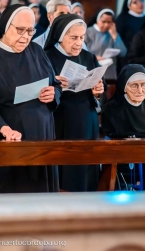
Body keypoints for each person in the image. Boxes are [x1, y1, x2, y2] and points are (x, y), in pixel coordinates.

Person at [0, 4, 62, 193]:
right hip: (10, 135)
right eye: (20, 30)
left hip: (42, 134)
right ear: (6, 26)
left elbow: (55, 84)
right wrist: (4, 129)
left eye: (30, 31)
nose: (26, 36)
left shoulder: (36, 51)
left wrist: (53, 93)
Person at [44, 14, 104, 192]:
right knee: (65, 169)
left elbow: (99, 88)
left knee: (86, 167)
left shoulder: (88, 57)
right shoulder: (46, 57)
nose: (79, 42)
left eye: (82, 37)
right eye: (74, 38)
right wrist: (53, 83)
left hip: (87, 120)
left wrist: (97, 91)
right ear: (61, 37)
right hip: (61, 120)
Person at [102, 64, 145, 190]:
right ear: (124, 87)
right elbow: (110, 138)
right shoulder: (111, 109)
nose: (140, 90)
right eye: (134, 85)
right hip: (122, 162)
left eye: (143, 85)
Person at [85, 8, 127, 80]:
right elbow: (81, 52)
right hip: (92, 72)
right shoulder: (88, 32)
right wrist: (93, 57)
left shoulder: (113, 33)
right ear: (97, 20)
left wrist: (114, 35)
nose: (106, 25)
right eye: (103, 22)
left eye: (109, 22)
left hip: (109, 73)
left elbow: (123, 52)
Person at [116, 0, 145, 71]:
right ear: (129, 6)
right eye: (135, 2)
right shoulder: (122, 19)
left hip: (144, 58)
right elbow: (119, 39)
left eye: (141, 0)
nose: (140, 3)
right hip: (127, 57)